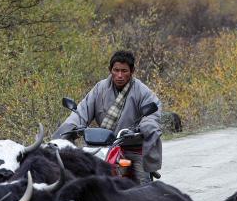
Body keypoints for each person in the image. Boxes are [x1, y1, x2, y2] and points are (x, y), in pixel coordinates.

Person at [53, 50, 163, 180]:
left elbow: (153, 113)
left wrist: (144, 126)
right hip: (103, 147)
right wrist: (70, 127)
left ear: (132, 71)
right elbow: (83, 110)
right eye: (116, 70)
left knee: (143, 184)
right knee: (80, 175)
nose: (119, 75)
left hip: (132, 147)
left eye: (124, 71)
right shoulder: (100, 88)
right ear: (110, 70)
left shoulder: (142, 91)